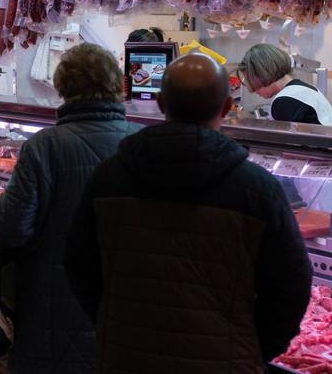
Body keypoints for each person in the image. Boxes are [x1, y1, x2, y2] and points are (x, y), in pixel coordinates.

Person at [65, 54, 313, 373]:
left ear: (160, 102)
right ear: (227, 107)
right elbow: (290, 285)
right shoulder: (258, 189)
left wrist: (114, 324)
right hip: (225, 362)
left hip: (126, 357)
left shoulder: (108, 177)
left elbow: (77, 264)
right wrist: (252, 346)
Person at [0, 43, 141, 373]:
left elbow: (13, 227)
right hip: (126, 300)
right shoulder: (144, 142)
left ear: (63, 87)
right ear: (117, 85)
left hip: (51, 299)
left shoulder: (43, 146)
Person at [239, 43, 332, 125]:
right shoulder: (306, 88)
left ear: (261, 74)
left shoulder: (285, 101)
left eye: (249, 79)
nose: (251, 88)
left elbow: (286, 142)